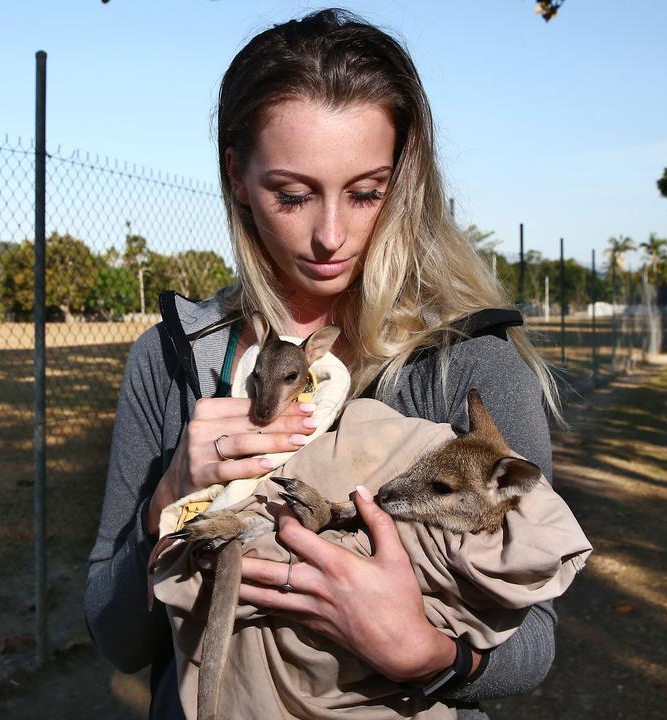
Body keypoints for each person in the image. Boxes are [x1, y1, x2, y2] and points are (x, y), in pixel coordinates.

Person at [85, 8, 563, 719]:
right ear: (237, 176)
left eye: (366, 192)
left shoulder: (469, 364)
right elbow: (117, 637)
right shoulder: (173, 357)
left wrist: (427, 653)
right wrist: (166, 502)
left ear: (402, 180)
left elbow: (538, 639)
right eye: (293, 194)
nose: (330, 236)